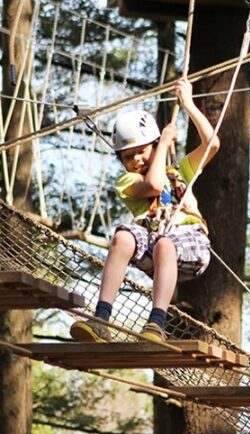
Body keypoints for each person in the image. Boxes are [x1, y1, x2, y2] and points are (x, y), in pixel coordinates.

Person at [70, 78, 220, 343]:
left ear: (151, 145)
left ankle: (156, 322)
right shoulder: (127, 182)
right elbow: (154, 184)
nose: (136, 160)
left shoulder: (181, 171)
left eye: (141, 151)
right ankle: (101, 318)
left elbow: (213, 143)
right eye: (128, 157)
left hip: (191, 244)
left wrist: (188, 105)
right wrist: (161, 144)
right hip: (155, 245)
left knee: (165, 243)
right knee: (123, 236)